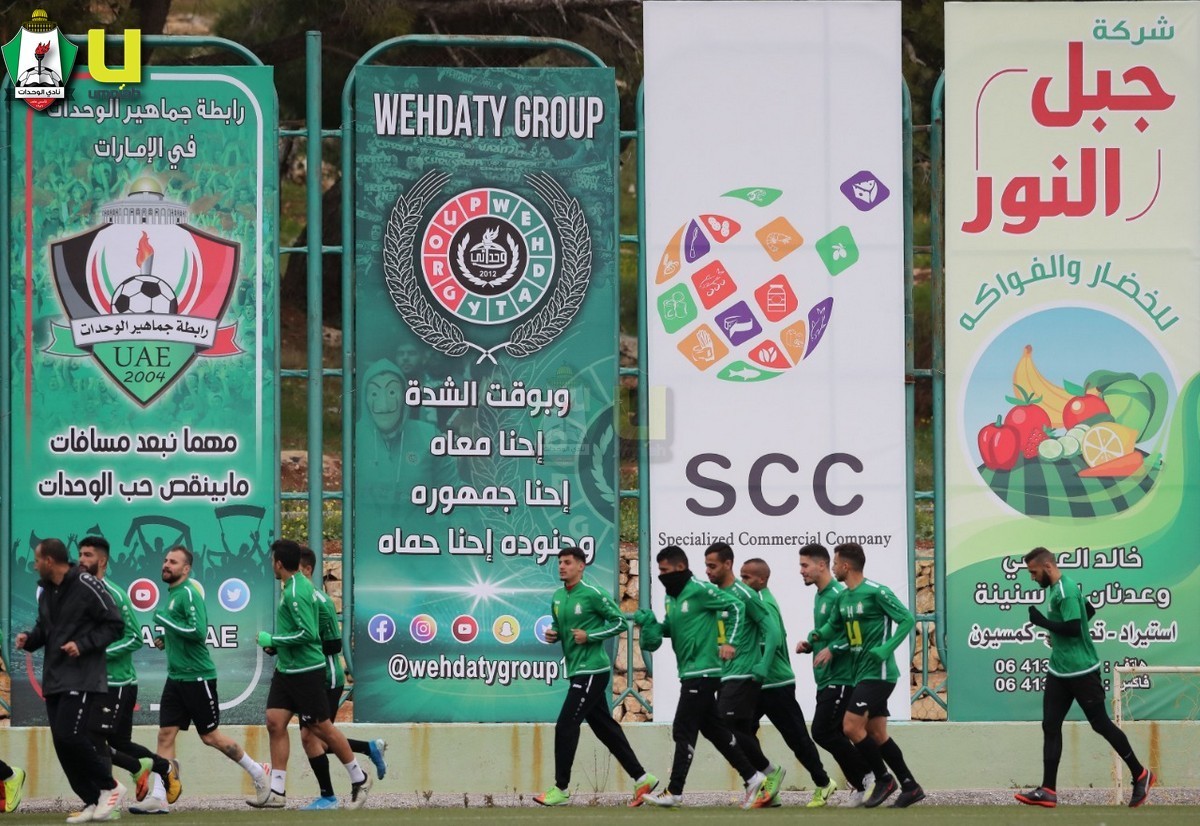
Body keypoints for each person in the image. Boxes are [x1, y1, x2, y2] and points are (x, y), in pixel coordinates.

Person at [1015, 547, 1153, 808]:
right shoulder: (1058, 588)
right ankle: (1048, 790)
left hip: (1081, 671)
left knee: (1100, 724)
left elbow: (1074, 627)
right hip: (1059, 670)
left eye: (1033, 572)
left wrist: (1042, 623)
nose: (1032, 578)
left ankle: (1141, 774)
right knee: (1050, 725)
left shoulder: (1065, 590)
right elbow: (1088, 610)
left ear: (1047, 567)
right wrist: (1056, 636)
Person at [633, 546, 767, 808]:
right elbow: (672, 627)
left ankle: (675, 790)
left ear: (680, 568)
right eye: (659, 570)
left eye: (665, 570)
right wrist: (653, 626)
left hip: (703, 671)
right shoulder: (671, 597)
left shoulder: (699, 589)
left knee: (683, 728)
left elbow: (736, 606)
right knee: (714, 730)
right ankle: (753, 777)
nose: (662, 575)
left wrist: (730, 642)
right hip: (689, 671)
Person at [251, 539, 372, 809]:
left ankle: (360, 778)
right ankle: (277, 791)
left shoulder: (298, 591)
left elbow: (308, 634)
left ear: (278, 564)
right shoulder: (290, 587)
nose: (271, 564)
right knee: (274, 721)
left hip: (306, 671)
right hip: (287, 669)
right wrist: (278, 645)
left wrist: (273, 639)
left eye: (272, 560)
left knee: (320, 728)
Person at [533, 547, 659, 808]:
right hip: (577, 670)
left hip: (592, 670)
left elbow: (619, 622)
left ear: (581, 566)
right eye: (560, 562)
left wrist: (590, 636)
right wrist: (554, 634)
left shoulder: (592, 593)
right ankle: (642, 778)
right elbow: (559, 627)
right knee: (605, 729)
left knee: (565, 725)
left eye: (567, 562)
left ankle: (561, 789)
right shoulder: (558, 597)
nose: (562, 566)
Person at [14, 538, 127, 822]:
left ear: (49, 561)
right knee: (62, 743)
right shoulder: (47, 591)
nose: (34, 566)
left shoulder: (87, 584)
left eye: (37, 560)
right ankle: (91, 799)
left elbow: (115, 625)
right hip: (55, 678)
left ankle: (111, 786)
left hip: (82, 676)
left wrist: (83, 644)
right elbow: (44, 630)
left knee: (70, 736)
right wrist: (29, 639)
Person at [149, 546, 269, 812]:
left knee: (211, 737)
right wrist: (166, 638)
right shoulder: (174, 594)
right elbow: (181, 630)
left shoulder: (189, 593)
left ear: (186, 569)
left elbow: (197, 631)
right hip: (176, 677)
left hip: (198, 677)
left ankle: (258, 772)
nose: (166, 564)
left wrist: (164, 622)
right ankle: (158, 798)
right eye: (166, 560)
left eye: (173, 562)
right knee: (165, 734)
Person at [805, 542, 924, 808]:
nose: (833, 568)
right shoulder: (843, 598)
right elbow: (833, 626)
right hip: (860, 673)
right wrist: (816, 637)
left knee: (850, 726)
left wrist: (886, 649)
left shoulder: (876, 592)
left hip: (879, 673)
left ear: (846, 566)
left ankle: (883, 778)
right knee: (877, 734)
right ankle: (910, 786)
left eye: (835, 563)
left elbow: (906, 619)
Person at [76, 536, 182, 813]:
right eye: (80, 554)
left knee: (93, 739)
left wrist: (98, 654)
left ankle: (105, 804)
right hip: (93, 682)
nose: (81, 560)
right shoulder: (80, 594)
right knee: (117, 742)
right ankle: (161, 768)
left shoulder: (114, 594)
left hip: (117, 682)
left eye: (87, 555)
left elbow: (135, 638)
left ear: (102, 561)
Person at [738, 555, 845, 807]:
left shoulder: (764, 602)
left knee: (797, 738)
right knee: (739, 732)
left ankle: (823, 782)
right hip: (755, 683)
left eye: (746, 577)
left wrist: (759, 662)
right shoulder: (751, 601)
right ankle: (767, 781)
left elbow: (773, 637)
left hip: (776, 683)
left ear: (761, 579)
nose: (741, 582)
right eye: (740, 577)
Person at [296, 545, 388, 809]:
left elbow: (333, 644)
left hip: (326, 677)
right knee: (313, 737)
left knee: (317, 735)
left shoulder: (319, 600)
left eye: (296, 569)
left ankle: (337, 791)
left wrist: (292, 643)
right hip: (306, 676)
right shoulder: (295, 597)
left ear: (308, 570)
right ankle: (367, 751)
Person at [700, 544, 788, 807]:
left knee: (724, 726)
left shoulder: (745, 594)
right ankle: (766, 786)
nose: (708, 571)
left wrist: (764, 663)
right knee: (738, 731)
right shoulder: (713, 595)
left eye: (712, 566)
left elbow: (772, 630)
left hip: (744, 673)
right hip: (723, 674)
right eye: (706, 566)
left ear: (727, 564)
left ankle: (766, 773)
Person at [796, 543, 873, 806]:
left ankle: (869, 775)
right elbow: (830, 632)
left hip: (841, 677)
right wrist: (811, 644)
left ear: (822, 565)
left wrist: (833, 648)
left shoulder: (839, 595)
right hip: (826, 677)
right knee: (836, 732)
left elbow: (855, 635)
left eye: (805, 565)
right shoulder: (820, 596)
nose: (801, 571)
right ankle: (863, 784)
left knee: (822, 731)